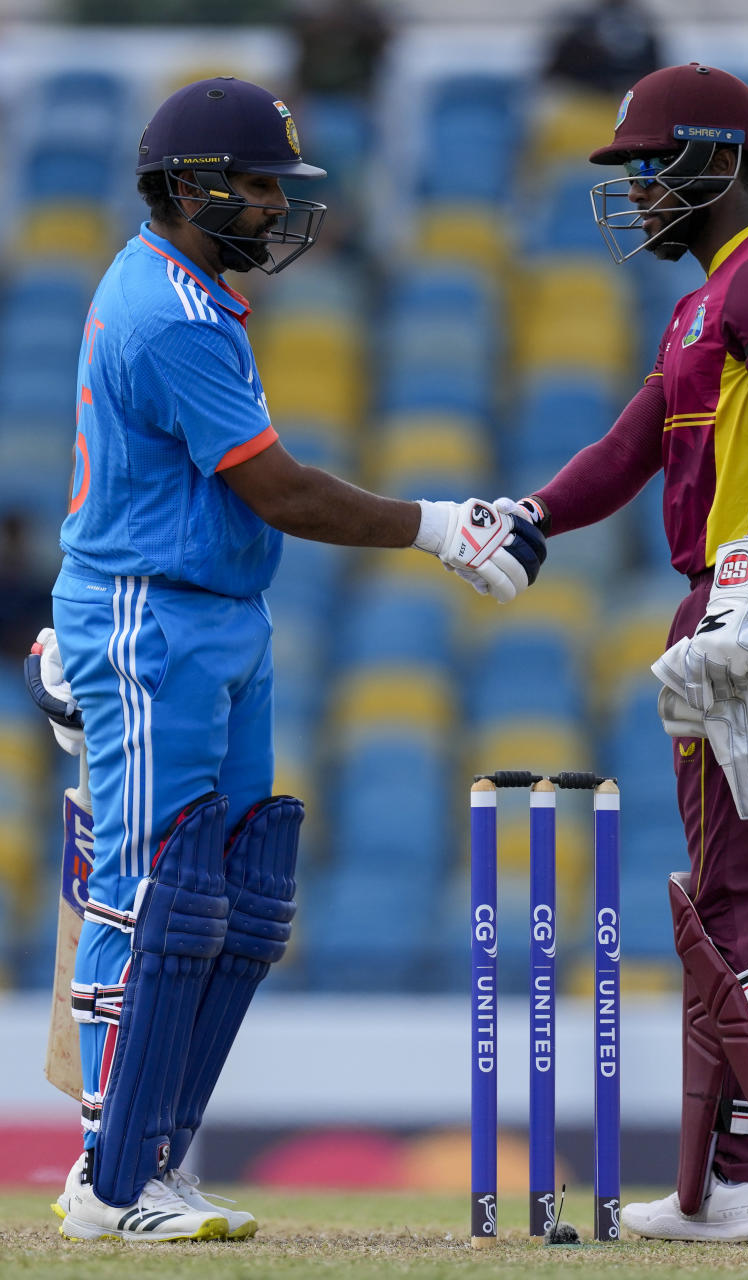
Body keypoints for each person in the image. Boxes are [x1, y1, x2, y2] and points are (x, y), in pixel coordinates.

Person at [46, 75, 545, 1243]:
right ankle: (103, 1181)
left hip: (219, 612)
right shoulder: (163, 309)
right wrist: (438, 525)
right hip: (152, 614)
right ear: (183, 187)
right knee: (149, 889)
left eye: (278, 184)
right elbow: (277, 488)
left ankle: (154, 1162)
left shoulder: (198, 298)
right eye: (254, 183)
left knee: (238, 897)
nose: (274, 205)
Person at [498, 62, 748, 1246]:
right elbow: (631, 447)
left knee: (735, 902)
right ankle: (727, 1177)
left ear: (719, 162)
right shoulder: (705, 303)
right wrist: (528, 516)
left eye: (650, 166)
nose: (636, 190)